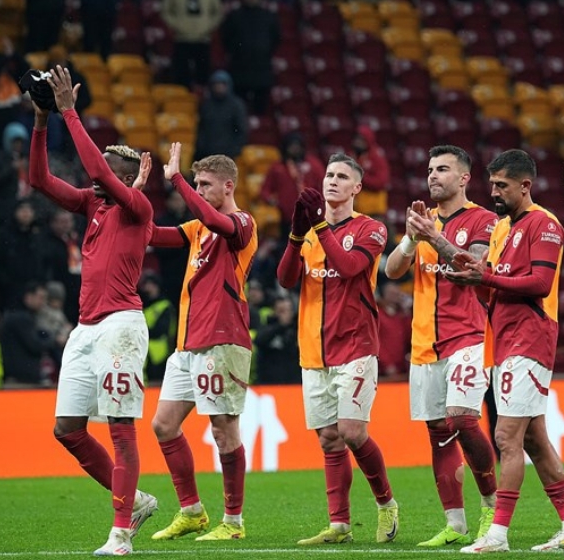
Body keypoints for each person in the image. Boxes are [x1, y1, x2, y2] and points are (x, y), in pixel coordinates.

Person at [29, 66, 158, 556]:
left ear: (124, 178)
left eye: (104, 168)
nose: (92, 172)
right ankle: (137, 502)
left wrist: (70, 112)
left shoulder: (137, 208)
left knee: (120, 430)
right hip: (84, 330)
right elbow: (39, 179)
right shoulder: (92, 205)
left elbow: (100, 173)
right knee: (67, 430)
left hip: (121, 327)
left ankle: (120, 535)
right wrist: (42, 120)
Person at [443, 149, 564, 554]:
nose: (493, 192)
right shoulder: (502, 229)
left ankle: (498, 534)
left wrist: (487, 278)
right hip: (505, 340)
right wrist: (474, 278)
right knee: (535, 441)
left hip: (531, 338)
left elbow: (540, 282)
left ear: (525, 186)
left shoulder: (545, 224)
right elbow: (493, 286)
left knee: (506, 436)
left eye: (501, 185)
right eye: (491, 184)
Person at [276, 153, 399, 545]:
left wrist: (317, 226)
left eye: (342, 176)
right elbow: (286, 279)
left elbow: (348, 267)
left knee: (351, 431)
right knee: (329, 438)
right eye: (329, 175)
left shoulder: (371, 229)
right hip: (314, 350)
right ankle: (340, 524)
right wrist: (296, 235)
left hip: (356, 346)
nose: (332, 181)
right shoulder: (311, 233)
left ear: (357, 187)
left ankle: (386, 503)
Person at [384, 145, 499, 547]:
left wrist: (433, 237)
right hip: (423, 343)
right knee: (438, 432)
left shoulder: (483, 219)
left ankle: (491, 506)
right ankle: (455, 523)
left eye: (443, 169)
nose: (433, 175)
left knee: (463, 420)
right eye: (430, 169)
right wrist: (411, 239)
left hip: (467, 335)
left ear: (464, 178)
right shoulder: (424, 220)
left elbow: (473, 267)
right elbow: (391, 271)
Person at [146, 142, 258, 541]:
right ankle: (192, 511)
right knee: (163, 425)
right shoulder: (197, 229)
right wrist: (126, 200)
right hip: (187, 343)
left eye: (204, 184)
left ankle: (233, 522)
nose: (198, 189)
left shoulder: (242, 223)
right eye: (196, 183)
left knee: (224, 430)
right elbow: (153, 234)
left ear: (228, 186)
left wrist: (175, 180)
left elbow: (212, 217)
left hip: (222, 339)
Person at [220, 0, 280, 114]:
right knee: (238, 111)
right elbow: (226, 39)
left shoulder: (269, 16)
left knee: (261, 112)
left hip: (262, 70)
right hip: (239, 71)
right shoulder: (234, 16)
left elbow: (275, 39)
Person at [162, 0, 223, 89]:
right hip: (182, 39)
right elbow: (165, 11)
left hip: (203, 39)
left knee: (203, 77)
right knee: (181, 76)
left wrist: (207, 26)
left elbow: (218, 12)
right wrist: (177, 25)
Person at [194, 70, 248, 161]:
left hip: (228, 154)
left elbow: (241, 130)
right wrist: (201, 148)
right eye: (216, 84)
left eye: (222, 84)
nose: (219, 87)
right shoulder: (207, 105)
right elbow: (201, 129)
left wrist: (234, 151)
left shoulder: (236, 106)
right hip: (207, 153)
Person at [351, 125, 391, 218]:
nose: (357, 142)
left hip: (374, 211)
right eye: (357, 139)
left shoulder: (377, 157)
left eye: (361, 140)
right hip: (356, 210)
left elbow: (381, 182)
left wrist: (361, 177)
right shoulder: (355, 156)